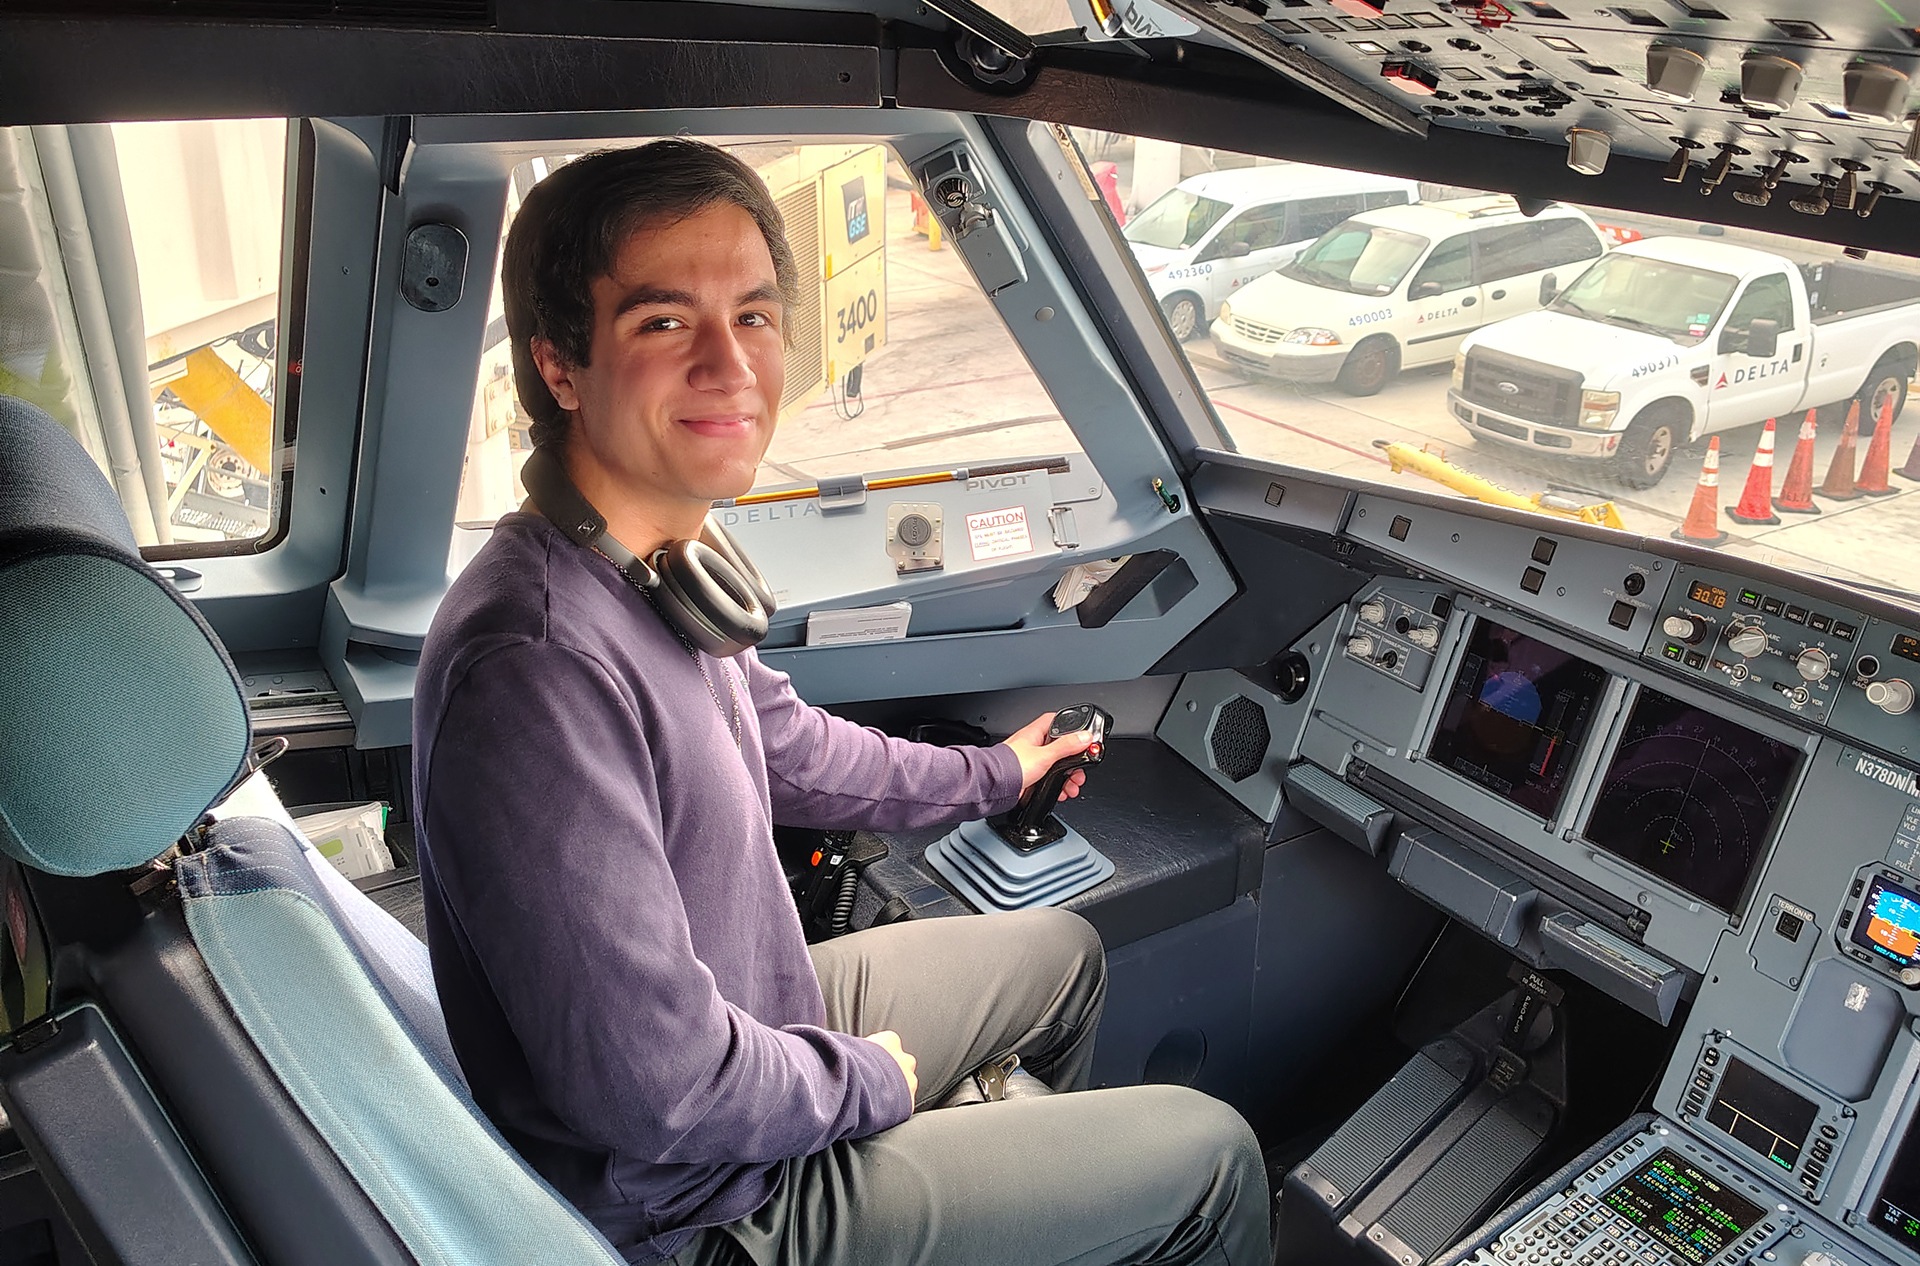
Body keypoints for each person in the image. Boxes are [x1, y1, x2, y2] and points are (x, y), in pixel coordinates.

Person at [411, 138, 1270, 1266]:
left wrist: (993, 776)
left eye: (756, 316)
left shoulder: (660, 567)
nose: (731, 364)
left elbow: (788, 746)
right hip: (703, 1208)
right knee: (1213, 1159)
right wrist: (871, 1083)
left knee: (1062, 957)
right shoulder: (537, 668)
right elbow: (659, 1091)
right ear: (560, 366)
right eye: (664, 322)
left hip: (753, 1010)